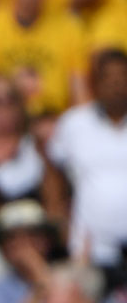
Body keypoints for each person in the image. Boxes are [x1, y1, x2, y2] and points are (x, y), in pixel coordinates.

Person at [45, 49, 127, 268]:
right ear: (95, 84)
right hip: (89, 251)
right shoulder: (74, 123)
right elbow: (53, 171)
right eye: (108, 78)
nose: (116, 84)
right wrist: (58, 220)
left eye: (122, 77)